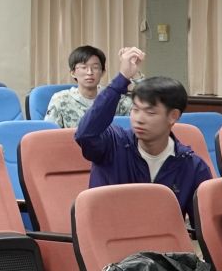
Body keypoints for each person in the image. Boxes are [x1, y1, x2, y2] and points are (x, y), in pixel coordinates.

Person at [73, 46, 212, 221]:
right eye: (135, 109)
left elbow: (204, 225)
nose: (139, 119)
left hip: (162, 238)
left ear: (173, 116)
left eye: (150, 112)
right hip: (108, 235)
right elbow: (85, 135)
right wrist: (122, 79)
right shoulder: (113, 144)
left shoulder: (191, 166)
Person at [44, 45, 130, 129]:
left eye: (95, 67)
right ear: (73, 73)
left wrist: (130, 66)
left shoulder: (115, 97)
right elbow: (48, 133)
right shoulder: (60, 99)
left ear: (103, 72)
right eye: (84, 67)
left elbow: (136, 121)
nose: (89, 72)